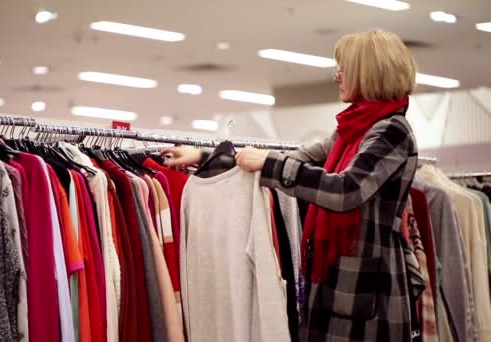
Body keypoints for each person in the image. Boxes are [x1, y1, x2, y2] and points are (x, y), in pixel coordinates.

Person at [162, 29, 423, 341]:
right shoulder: (353, 131)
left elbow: (347, 190)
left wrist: (269, 165)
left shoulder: (392, 130)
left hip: (367, 294)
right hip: (337, 285)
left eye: (343, 69)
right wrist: (210, 157)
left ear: (366, 73)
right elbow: (297, 158)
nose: (337, 76)